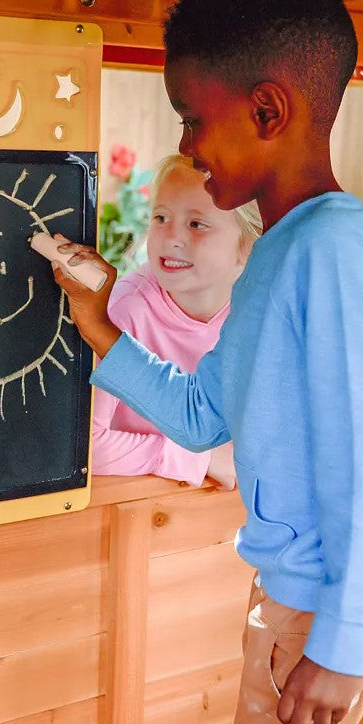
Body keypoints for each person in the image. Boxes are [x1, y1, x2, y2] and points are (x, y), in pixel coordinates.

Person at [53, 0, 363, 724]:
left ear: (268, 112)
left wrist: (341, 646)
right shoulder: (284, 257)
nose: (188, 142)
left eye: (194, 119)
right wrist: (102, 326)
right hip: (342, 589)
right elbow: (199, 415)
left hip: (342, 596)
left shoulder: (328, 257)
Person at [91, 153, 260, 487]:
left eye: (196, 224)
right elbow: (86, 449)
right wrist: (200, 458)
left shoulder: (255, 315)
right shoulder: (123, 313)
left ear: (246, 246)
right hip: (135, 504)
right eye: (161, 218)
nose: (171, 238)